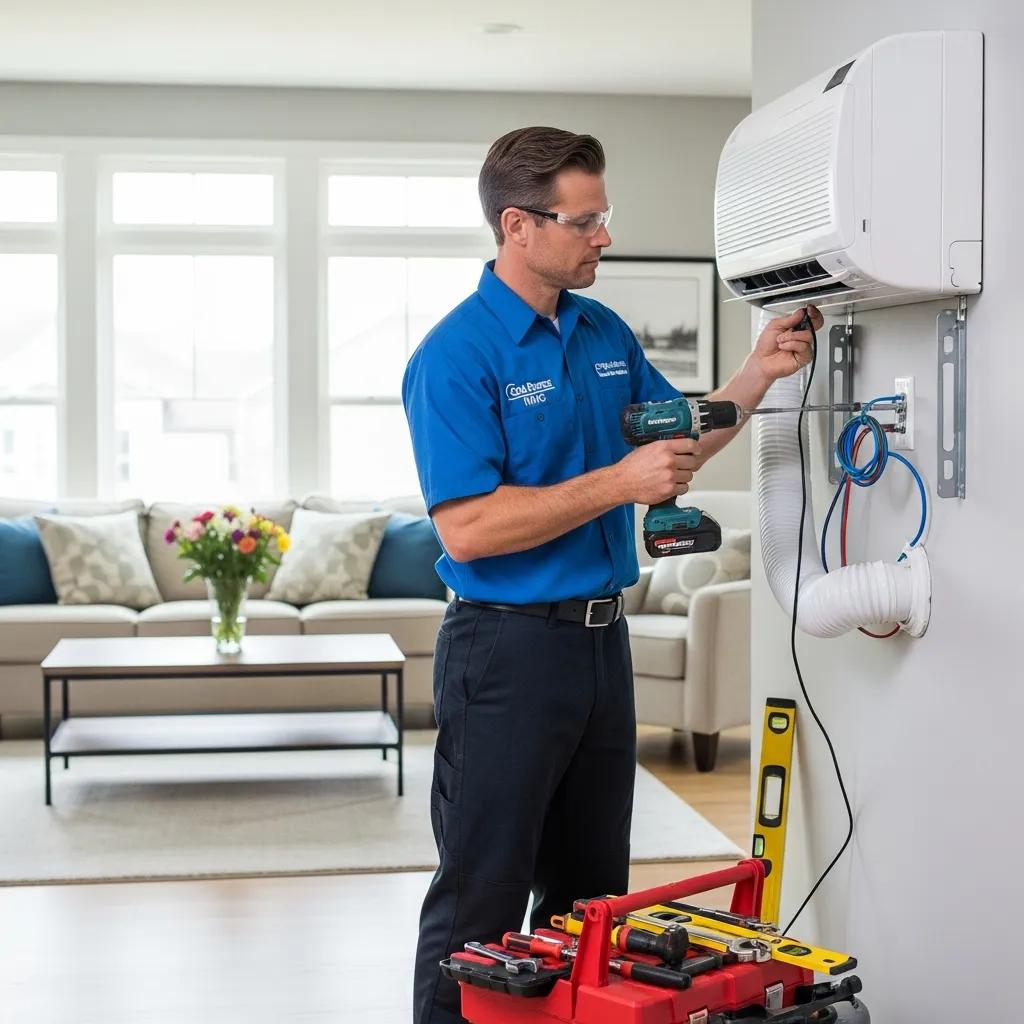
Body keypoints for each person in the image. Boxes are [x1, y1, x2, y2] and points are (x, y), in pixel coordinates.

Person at [402, 125, 820, 1024]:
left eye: (604, 216)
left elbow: (672, 444)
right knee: (481, 901)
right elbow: (468, 528)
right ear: (518, 225)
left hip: (601, 649)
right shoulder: (454, 355)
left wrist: (757, 373)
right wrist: (617, 485)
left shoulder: (603, 332)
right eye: (584, 220)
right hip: (504, 655)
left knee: (590, 905)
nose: (604, 236)